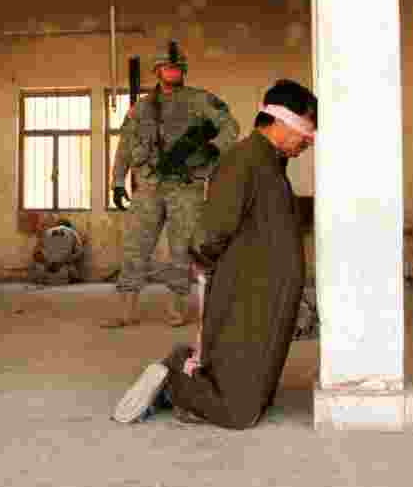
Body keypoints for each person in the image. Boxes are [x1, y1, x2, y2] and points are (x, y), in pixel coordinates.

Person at [112, 79, 316, 429]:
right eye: (307, 129)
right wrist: (205, 264)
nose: (309, 140)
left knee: (253, 396)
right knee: (238, 413)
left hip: (265, 300)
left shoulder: (268, 163)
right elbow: (211, 231)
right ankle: (173, 381)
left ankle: (185, 365)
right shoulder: (244, 161)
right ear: (280, 121)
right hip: (245, 298)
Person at [104, 43, 240, 328]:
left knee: (181, 249)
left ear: (184, 71)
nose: (173, 71)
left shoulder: (200, 100)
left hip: (185, 187)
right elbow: (126, 145)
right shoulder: (142, 108)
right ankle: (126, 310)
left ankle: (177, 309)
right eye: (168, 67)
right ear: (157, 71)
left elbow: (230, 127)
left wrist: (213, 149)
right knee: (134, 247)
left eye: (177, 67)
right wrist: (117, 181)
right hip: (149, 186)